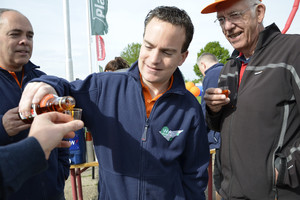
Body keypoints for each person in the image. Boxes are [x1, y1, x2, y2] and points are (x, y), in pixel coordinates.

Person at [19, 6, 210, 199]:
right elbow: (65, 87)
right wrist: (44, 84)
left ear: (182, 57)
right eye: (149, 46)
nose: (154, 59)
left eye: (167, 52)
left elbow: (195, 176)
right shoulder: (103, 88)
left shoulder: (190, 108)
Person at [201, 0, 300, 199]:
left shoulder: (293, 50)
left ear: (260, 12)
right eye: (221, 19)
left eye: (235, 15)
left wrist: (287, 168)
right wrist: (213, 110)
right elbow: (221, 126)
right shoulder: (230, 66)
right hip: (230, 192)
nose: (227, 26)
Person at [0, 9, 70, 199]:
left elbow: (62, 131)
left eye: (30, 36)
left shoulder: (45, 82)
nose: (25, 41)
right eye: (15, 34)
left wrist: (61, 173)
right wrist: (2, 127)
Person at [0, 112, 84, 200]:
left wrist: (62, 172)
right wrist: (2, 127)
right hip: (12, 192)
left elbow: (59, 126)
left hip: (53, 190)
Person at [197, 52, 224, 200]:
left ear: (203, 65)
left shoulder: (211, 75)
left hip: (218, 137)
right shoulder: (229, 70)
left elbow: (206, 108)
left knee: (219, 182)